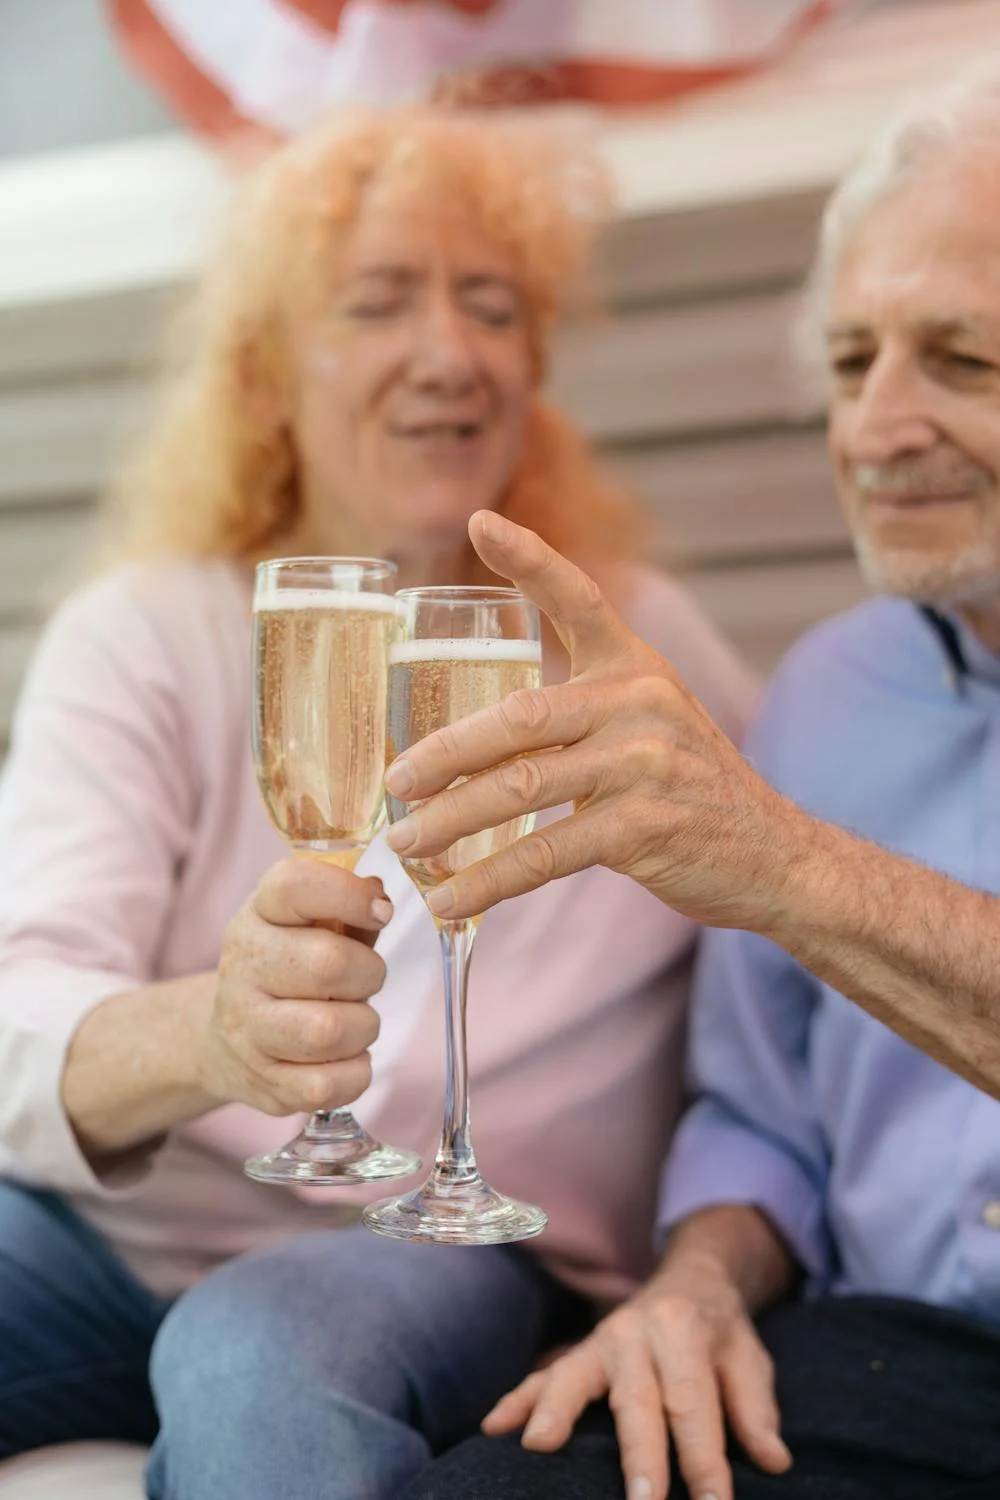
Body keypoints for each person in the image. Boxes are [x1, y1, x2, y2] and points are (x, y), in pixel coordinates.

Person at [0, 107, 758, 1499]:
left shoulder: (626, 641)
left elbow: (785, 913)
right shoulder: (149, 632)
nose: (453, 353)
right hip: (106, 1239)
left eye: (493, 308)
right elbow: (16, 1004)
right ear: (269, 377)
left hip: (436, 1253)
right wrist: (213, 1036)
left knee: (262, 1356)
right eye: (379, 302)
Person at [381, 61, 1000, 1500]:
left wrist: (782, 866)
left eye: (963, 359)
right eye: (852, 364)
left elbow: (776, 869)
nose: (878, 428)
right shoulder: (834, 691)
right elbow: (759, 1117)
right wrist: (700, 1284)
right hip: (892, 1358)